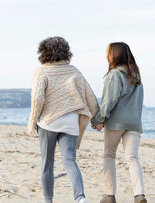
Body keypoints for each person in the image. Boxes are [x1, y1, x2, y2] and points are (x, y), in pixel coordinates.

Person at [27, 36, 99, 203]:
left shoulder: (41, 71)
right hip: (71, 123)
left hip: (48, 123)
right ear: (66, 52)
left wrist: (32, 123)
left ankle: (48, 200)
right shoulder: (74, 71)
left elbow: (37, 99)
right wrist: (96, 118)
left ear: (43, 52)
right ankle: (80, 198)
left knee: (47, 163)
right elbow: (90, 97)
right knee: (70, 161)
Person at [91, 42, 147, 203]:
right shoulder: (137, 77)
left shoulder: (115, 74)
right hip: (135, 123)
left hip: (116, 123)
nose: (106, 56)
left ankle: (110, 196)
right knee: (133, 158)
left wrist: (99, 120)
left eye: (108, 53)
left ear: (114, 55)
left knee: (109, 156)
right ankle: (139, 195)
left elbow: (109, 101)